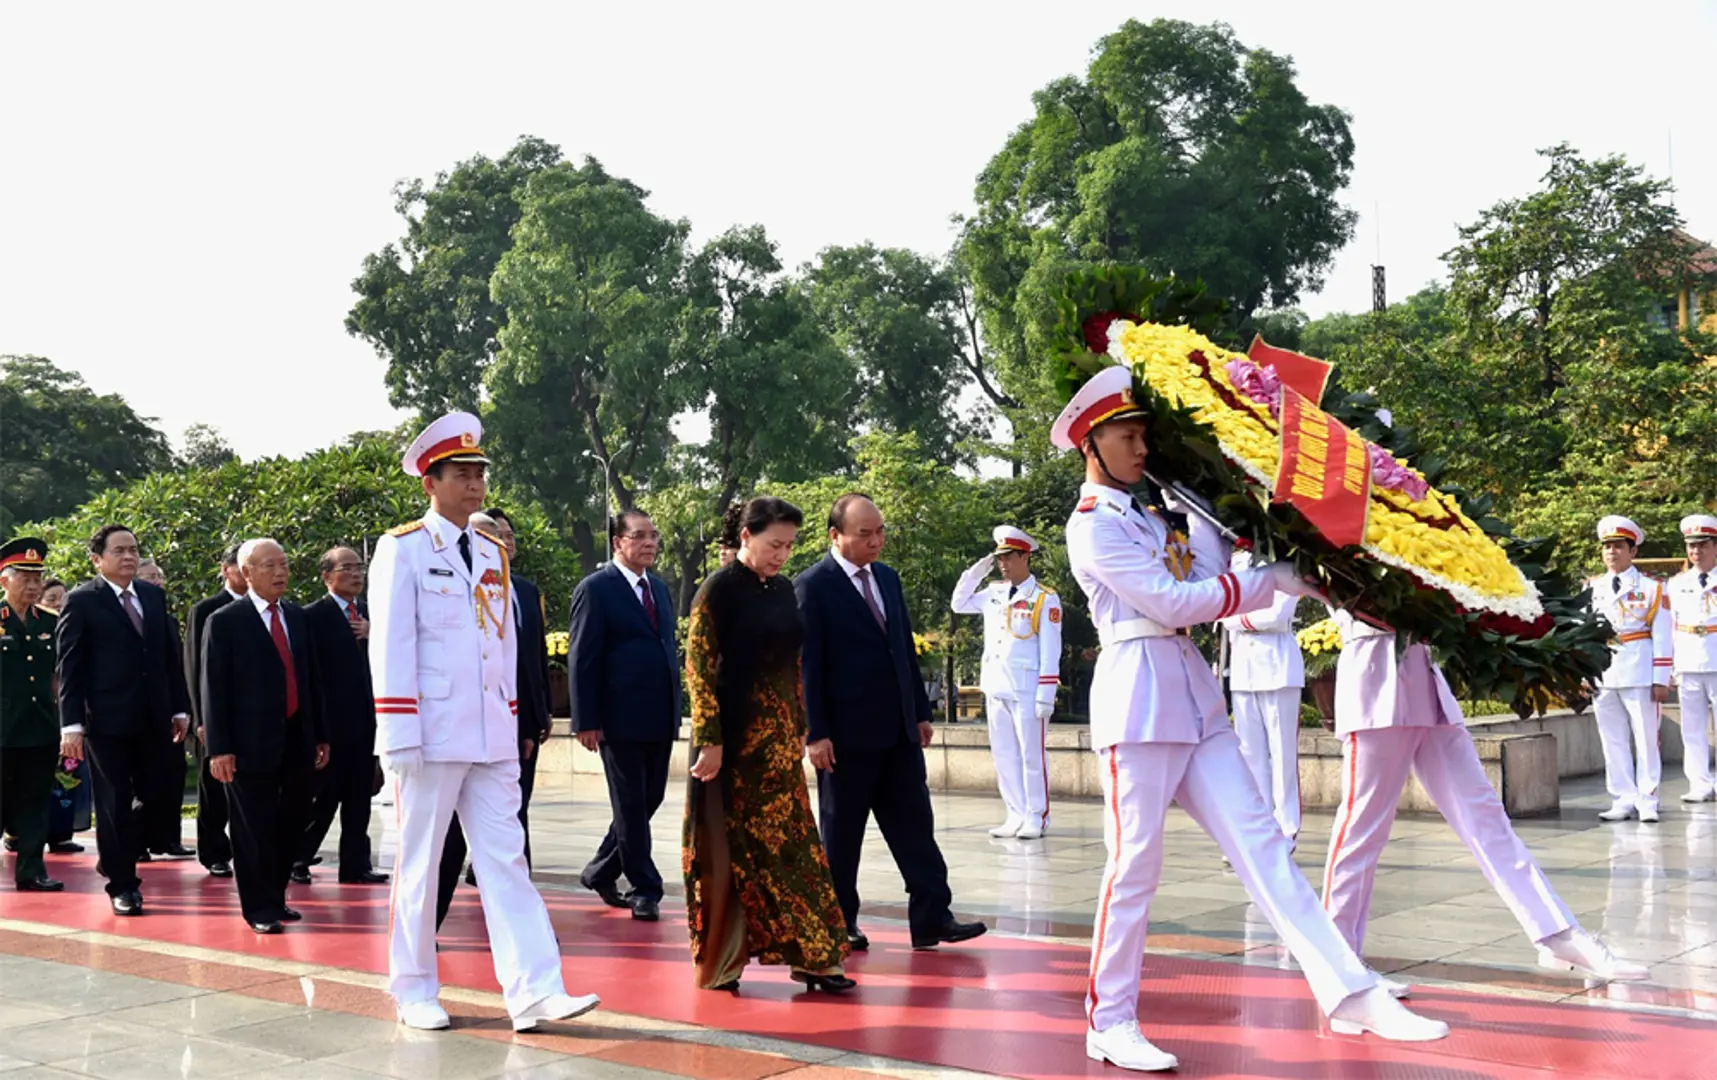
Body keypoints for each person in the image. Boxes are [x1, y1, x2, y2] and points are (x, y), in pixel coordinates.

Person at [1052, 365, 1445, 1072]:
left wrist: (1253, 517)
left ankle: (1348, 991)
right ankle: (1108, 1021)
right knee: (1133, 868)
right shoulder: (1090, 527)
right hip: (1137, 700)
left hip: (1194, 696)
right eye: (1127, 436)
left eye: (1145, 436)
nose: (1142, 449)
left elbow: (1223, 559)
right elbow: (1175, 603)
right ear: (1091, 442)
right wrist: (1269, 578)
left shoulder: (1155, 512)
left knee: (1263, 845)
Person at [370, 411, 597, 1032]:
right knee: (420, 863)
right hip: (429, 733)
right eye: (461, 474)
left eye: (479, 473)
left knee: (507, 859)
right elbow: (389, 647)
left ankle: (534, 990)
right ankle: (413, 987)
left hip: (491, 734)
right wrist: (397, 735)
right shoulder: (404, 549)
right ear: (431, 482)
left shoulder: (492, 550)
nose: (474, 485)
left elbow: (501, 646)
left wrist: (514, 723)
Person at [1320, 611, 1648, 989]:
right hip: (1374, 683)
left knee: (1487, 819)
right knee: (1362, 830)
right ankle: (1339, 962)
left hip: (1426, 683)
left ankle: (1558, 933)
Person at [797, 493, 987, 953]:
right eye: (865, 534)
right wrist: (814, 732)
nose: (876, 541)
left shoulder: (887, 578)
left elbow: (901, 647)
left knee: (915, 827)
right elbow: (808, 667)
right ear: (835, 536)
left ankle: (931, 918)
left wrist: (920, 712)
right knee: (842, 837)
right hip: (844, 737)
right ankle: (839, 921)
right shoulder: (812, 586)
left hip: (898, 732)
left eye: (880, 532)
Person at [683, 497, 853, 993]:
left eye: (789, 545)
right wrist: (710, 741)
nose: (782, 554)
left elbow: (791, 665)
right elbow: (698, 670)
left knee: (794, 849)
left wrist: (799, 723)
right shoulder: (716, 591)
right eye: (774, 544)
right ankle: (723, 962)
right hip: (732, 747)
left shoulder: (781, 590)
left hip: (778, 745)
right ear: (745, 537)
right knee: (729, 850)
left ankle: (817, 959)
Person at [55, 524, 194, 916]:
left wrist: (180, 707)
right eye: (119, 550)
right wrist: (71, 725)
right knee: (114, 802)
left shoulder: (151, 595)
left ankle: (116, 853)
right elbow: (71, 666)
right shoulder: (82, 601)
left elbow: (168, 656)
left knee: (156, 795)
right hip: (107, 721)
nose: (129, 557)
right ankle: (124, 885)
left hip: (154, 717)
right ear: (97, 559)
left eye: (133, 549)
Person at [200, 539, 330, 933]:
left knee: (292, 821)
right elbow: (213, 688)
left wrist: (320, 734)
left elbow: (311, 679)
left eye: (284, 564)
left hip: (297, 736)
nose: (280, 572)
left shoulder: (296, 615)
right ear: (246, 572)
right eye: (270, 565)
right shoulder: (224, 621)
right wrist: (219, 748)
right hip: (246, 743)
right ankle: (258, 907)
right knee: (252, 828)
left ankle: (276, 897)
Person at [435, 508, 551, 928]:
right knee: (447, 839)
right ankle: (425, 926)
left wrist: (537, 716)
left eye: (507, 537)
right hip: (456, 731)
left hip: (513, 727)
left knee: (511, 823)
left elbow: (528, 661)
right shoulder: (448, 589)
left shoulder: (521, 590)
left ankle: (523, 927)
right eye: (491, 537)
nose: (503, 544)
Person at [569, 508, 681, 923]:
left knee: (650, 797)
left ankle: (601, 869)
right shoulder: (597, 588)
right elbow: (583, 655)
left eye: (654, 535)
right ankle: (644, 887)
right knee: (630, 802)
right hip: (618, 717)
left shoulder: (660, 589)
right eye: (640, 536)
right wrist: (586, 719)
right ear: (618, 542)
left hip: (659, 713)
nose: (650, 543)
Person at [950, 525, 1063, 839]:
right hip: (996, 684)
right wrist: (978, 570)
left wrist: (1046, 693)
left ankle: (1035, 815)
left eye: (1008, 557)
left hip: (1027, 688)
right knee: (1004, 754)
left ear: (1025, 556)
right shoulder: (994, 593)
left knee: (1031, 755)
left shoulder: (1044, 598)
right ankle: (1014, 813)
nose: (1003, 564)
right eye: (999, 558)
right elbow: (958, 603)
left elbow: (1050, 648)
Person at [298, 546, 387, 884]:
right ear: (326, 576)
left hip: (367, 722)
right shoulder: (312, 616)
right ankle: (298, 857)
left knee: (360, 798)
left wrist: (373, 634)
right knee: (323, 799)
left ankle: (356, 865)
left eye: (359, 567)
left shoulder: (370, 613)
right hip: (332, 726)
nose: (356, 574)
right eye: (346, 568)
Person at [1217, 551, 1305, 845]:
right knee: (1250, 754)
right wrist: (1236, 616)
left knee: (1283, 755)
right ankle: (1260, 825)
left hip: (1278, 665)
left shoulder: (1287, 562)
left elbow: (1277, 615)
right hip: (1244, 668)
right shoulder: (1237, 561)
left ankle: (1287, 826)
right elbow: (1221, 607)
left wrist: (1237, 618)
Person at [1589, 516, 1673, 822]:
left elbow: (1663, 635)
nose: (1611, 552)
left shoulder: (1652, 588)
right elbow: (1582, 634)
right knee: (1611, 738)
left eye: (1618, 546)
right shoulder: (1592, 588)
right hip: (1604, 673)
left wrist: (1661, 678)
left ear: (1632, 551)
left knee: (1646, 738)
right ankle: (1622, 797)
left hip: (1639, 671)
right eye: (1607, 547)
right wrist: (1584, 675)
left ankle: (1647, 799)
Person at [1, 538, 64, 892]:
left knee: (35, 803)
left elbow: (57, 676)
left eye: (37, 577)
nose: (33, 584)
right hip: (3, 728)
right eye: (24, 576)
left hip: (39, 726)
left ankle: (31, 871)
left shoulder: (51, 622)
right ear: (4, 580)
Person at [185, 544, 247, 878]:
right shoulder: (208, 609)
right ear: (226, 569)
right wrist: (200, 717)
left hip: (250, 716)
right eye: (240, 566)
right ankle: (213, 851)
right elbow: (195, 667)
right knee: (213, 791)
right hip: (213, 715)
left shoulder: (265, 609)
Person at [1667, 514, 1717, 803]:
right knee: (1692, 728)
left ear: (1714, 546)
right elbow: (1670, 624)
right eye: (1691, 546)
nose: (1696, 552)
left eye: (1702, 545)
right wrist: (1671, 663)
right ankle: (1699, 782)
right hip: (1688, 660)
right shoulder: (1677, 584)